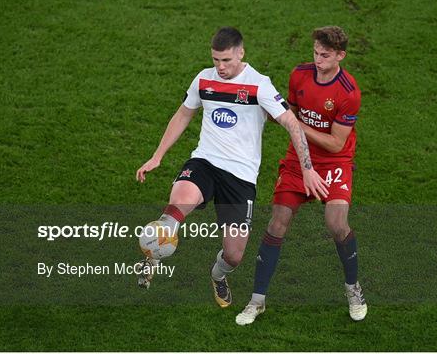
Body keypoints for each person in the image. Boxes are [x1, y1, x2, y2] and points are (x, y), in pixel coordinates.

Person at [135, 27, 327, 308]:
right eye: (215, 60)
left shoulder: (259, 85)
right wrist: (157, 156)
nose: (220, 67)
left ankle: (217, 275)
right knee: (178, 203)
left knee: (234, 256)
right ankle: (151, 256)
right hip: (205, 162)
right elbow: (184, 114)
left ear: (241, 53)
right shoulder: (203, 80)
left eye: (226, 60)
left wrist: (307, 168)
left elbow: (291, 123)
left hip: (240, 177)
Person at [236, 26, 367, 324]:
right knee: (277, 222)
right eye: (315, 53)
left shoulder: (349, 93)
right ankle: (257, 301)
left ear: (340, 56)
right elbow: (288, 110)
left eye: (325, 55)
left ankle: (352, 288)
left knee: (336, 224)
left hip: (335, 162)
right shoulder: (300, 75)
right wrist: (284, 117)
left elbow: (335, 142)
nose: (318, 59)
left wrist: (295, 124)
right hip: (297, 160)